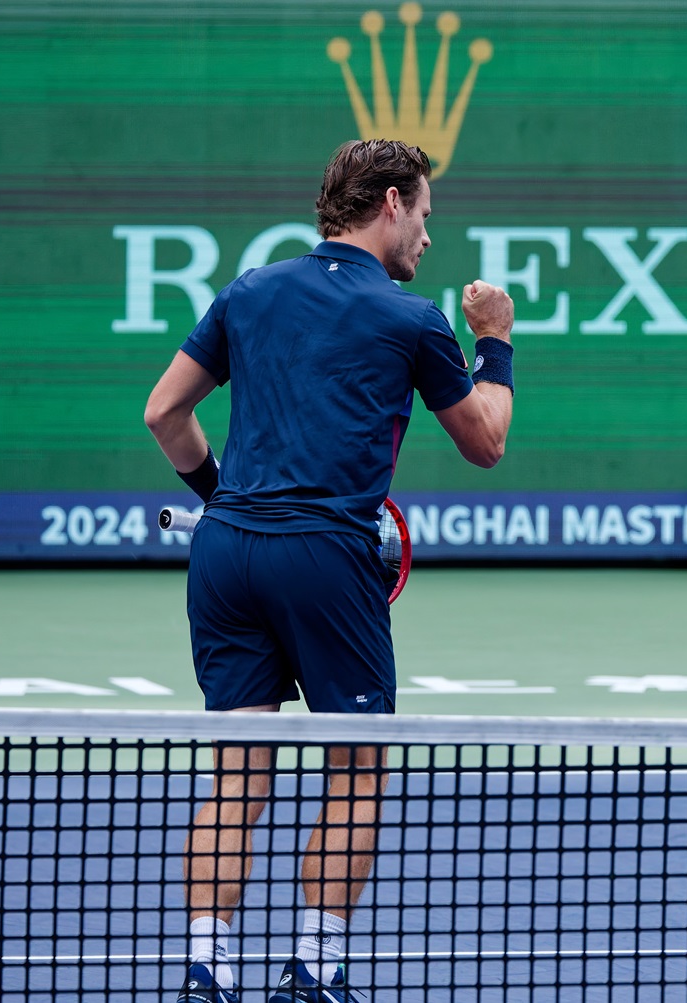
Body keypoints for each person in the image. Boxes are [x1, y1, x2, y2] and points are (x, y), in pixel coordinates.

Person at [144, 139, 516, 1003]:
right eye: (423, 214)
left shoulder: (248, 291)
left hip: (224, 553)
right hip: (324, 558)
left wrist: (223, 497)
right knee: (357, 766)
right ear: (390, 202)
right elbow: (487, 442)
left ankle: (208, 971)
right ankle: (314, 971)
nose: (426, 235)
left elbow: (165, 412)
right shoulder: (414, 317)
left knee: (237, 773)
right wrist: (493, 342)